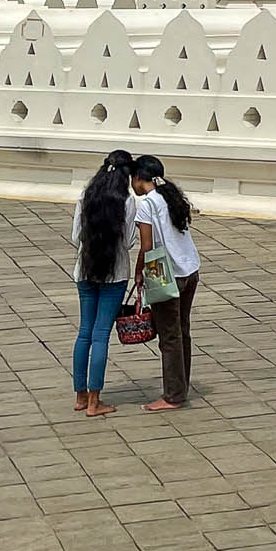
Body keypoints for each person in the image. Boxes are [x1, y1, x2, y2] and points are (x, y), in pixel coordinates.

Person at [131, 155, 201, 412]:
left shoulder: (148, 203)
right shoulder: (170, 196)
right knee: (182, 331)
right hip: (190, 269)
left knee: (169, 336)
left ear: (139, 178)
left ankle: (173, 395)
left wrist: (139, 273)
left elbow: (146, 247)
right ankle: (180, 386)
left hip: (167, 274)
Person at [70, 149, 137, 417]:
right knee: (100, 335)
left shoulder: (85, 196)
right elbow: (129, 241)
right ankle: (95, 401)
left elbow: (77, 236)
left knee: (84, 331)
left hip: (85, 270)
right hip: (114, 273)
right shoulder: (127, 202)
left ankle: (80, 395)